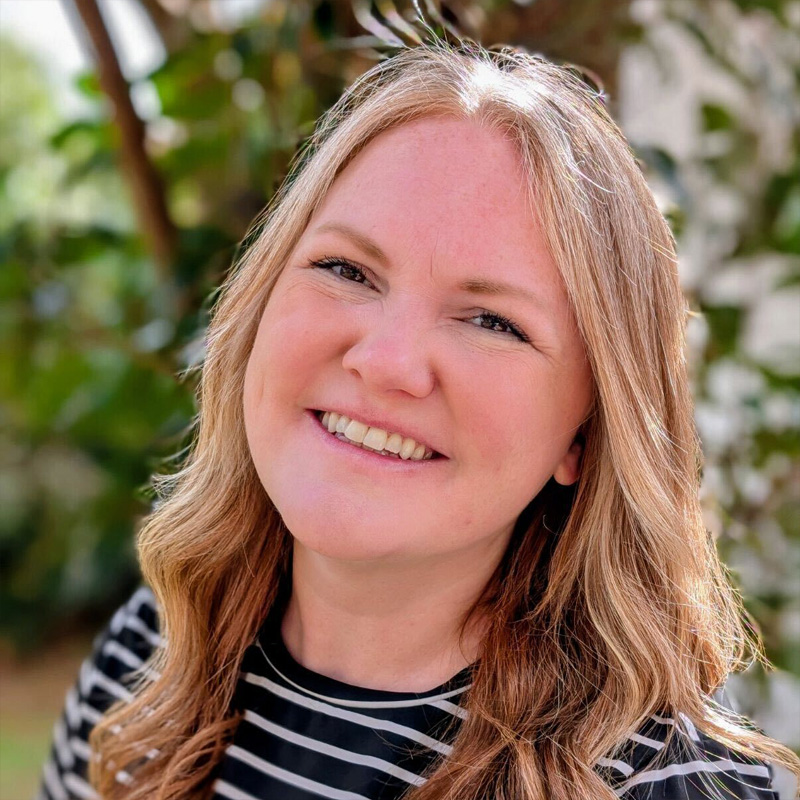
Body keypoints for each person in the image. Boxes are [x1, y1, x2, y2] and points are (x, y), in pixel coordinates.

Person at [37, 37, 799, 800]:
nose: (387, 362)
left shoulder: (667, 786)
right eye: (345, 270)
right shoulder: (154, 657)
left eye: (493, 321)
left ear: (587, 434)